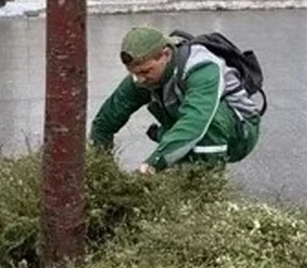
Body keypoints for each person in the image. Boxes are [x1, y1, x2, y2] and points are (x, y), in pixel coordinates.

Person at [90, 26, 263, 174]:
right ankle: (176, 151)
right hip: (190, 125)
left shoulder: (202, 68)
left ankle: (206, 186)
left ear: (165, 54)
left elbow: (195, 122)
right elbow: (105, 121)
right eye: (133, 73)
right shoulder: (142, 76)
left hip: (239, 132)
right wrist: (101, 169)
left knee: (206, 124)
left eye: (145, 72)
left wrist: (150, 166)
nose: (139, 79)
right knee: (180, 141)